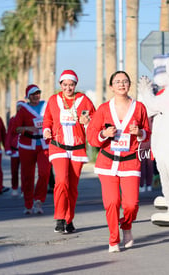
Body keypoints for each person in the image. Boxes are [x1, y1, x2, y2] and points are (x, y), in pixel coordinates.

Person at [86, 71, 151, 252]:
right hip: (107, 162)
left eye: (125, 81)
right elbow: (91, 136)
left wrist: (139, 133)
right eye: (117, 82)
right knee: (112, 202)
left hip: (130, 162)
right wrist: (103, 134)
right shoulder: (103, 109)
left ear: (129, 85)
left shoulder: (139, 108)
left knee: (131, 204)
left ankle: (127, 226)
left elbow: (147, 133)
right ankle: (113, 239)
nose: (121, 84)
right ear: (111, 87)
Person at [43, 69, 96, 233]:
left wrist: (87, 121)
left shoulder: (83, 100)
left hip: (78, 148)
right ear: (60, 84)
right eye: (65, 84)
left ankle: (69, 219)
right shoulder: (53, 100)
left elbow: (94, 119)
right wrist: (46, 130)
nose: (68, 88)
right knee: (61, 182)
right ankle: (59, 217)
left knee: (72, 187)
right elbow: (47, 119)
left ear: (75, 85)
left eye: (71, 84)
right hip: (58, 146)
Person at [14, 85, 51, 214]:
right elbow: (16, 128)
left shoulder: (47, 106)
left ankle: (39, 200)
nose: (36, 96)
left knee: (44, 173)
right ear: (28, 96)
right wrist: (28, 128)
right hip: (27, 146)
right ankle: (28, 204)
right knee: (27, 176)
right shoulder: (23, 109)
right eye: (33, 94)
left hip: (44, 145)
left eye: (38, 93)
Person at [5, 100, 24, 197]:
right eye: (18, 106)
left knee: (25, 172)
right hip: (14, 150)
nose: (20, 108)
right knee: (14, 170)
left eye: (22, 106)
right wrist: (7, 148)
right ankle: (15, 188)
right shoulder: (12, 119)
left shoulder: (28, 119)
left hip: (25, 150)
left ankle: (25, 190)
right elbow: (9, 135)